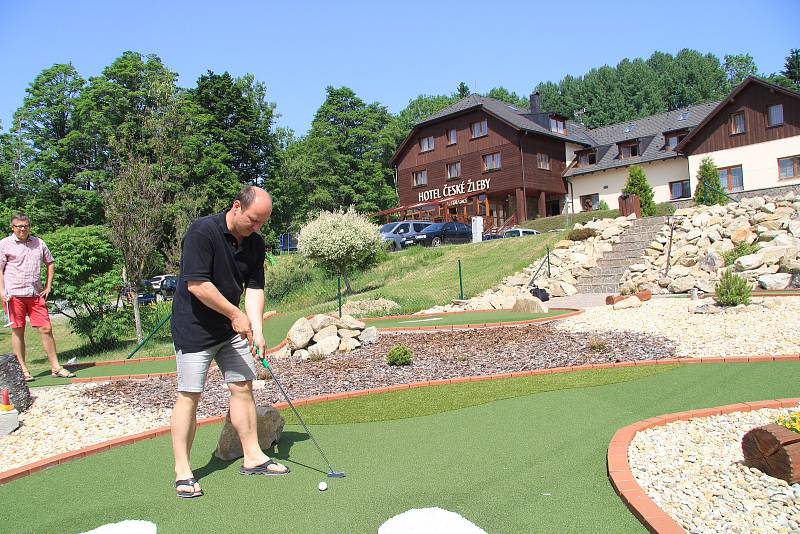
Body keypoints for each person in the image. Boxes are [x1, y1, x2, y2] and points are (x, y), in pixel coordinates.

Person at [170, 186, 288, 499]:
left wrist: (258, 329)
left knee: (242, 386)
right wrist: (236, 315)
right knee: (189, 395)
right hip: (194, 328)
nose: (256, 228)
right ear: (236, 206)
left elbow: (254, 287)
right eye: (253, 220)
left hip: (230, 328)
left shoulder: (254, 243)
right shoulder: (202, 232)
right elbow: (197, 284)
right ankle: (183, 471)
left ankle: (253, 457)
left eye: (262, 223)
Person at [0, 213, 73, 381]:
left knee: (46, 328)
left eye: (26, 226)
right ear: (13, 227)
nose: (23, 229)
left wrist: (48, 286)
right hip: (14, 294)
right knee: (18, 331)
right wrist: (2, 291)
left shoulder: (39, 242)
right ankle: (23, 371)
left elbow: (50, 262)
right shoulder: (4, 244)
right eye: (19, 226)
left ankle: (55, 367)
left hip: (35, 293)